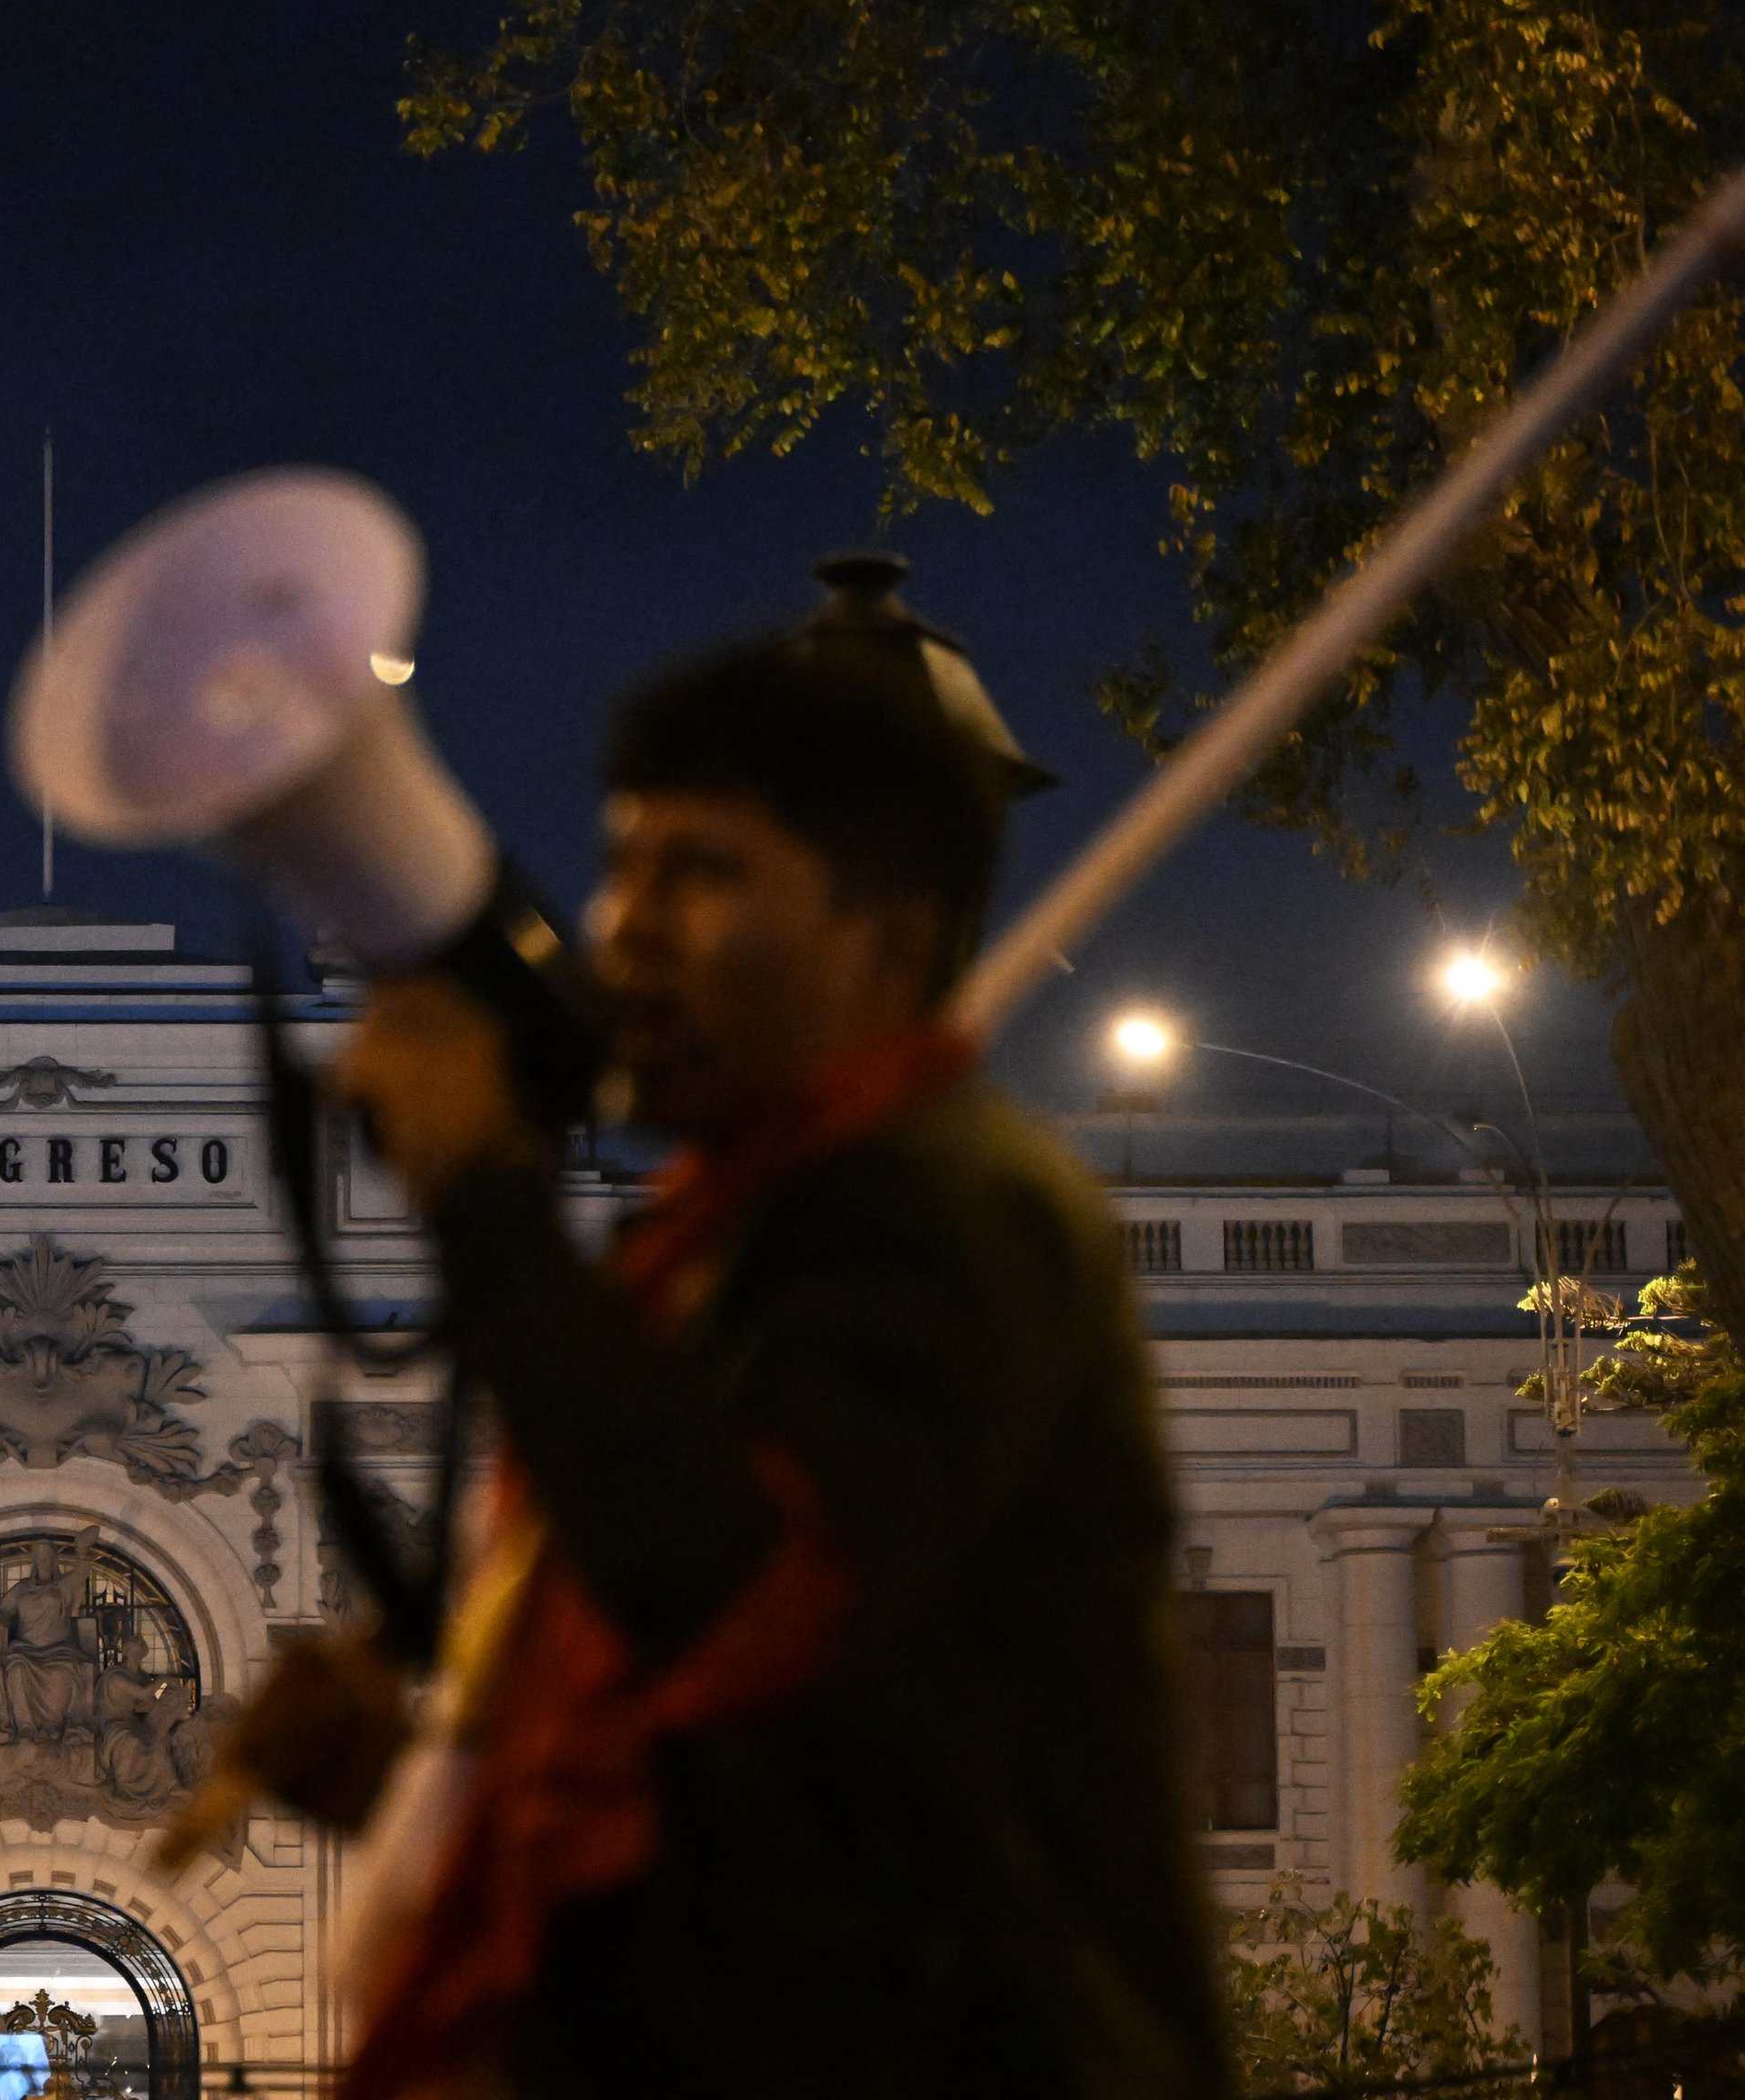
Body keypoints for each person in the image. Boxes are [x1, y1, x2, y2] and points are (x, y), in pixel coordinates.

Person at [318, 590, 1228, 2100]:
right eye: (621, 867)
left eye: (704, 874)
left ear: (887, 936)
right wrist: (419, 1776)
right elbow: (742, 1779)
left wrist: (487, 1201)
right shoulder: (727, 1248)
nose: (628, 933)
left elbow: (737, 1591)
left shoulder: (956, 1217)